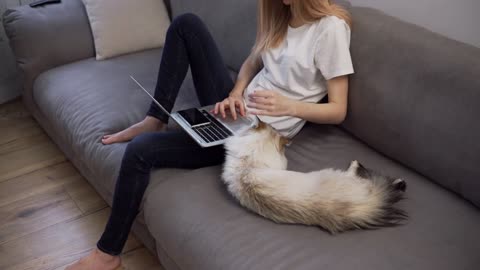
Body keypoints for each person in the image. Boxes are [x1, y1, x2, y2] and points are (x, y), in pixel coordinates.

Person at [67, 0, 354, 269]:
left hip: (253, 137)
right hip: (237, 112)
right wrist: (235, 93)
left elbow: (338, 109)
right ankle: (155, 118)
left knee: (140, 151)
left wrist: (289, 105)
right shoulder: (281, 17)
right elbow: (251, 64)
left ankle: (106, 255)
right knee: (186, 24)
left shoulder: (330, 29)